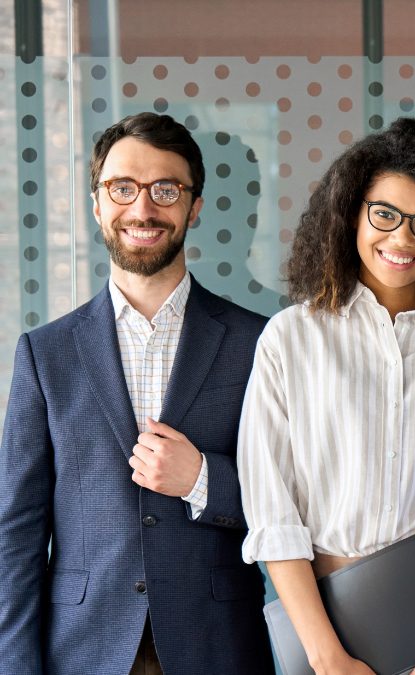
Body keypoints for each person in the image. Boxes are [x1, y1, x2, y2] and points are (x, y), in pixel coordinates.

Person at [237, 116, 415, 675]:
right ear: (350, 213)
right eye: (385, 214)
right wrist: (327, 658)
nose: (401, 240)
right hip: (327, 621)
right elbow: (273, 514)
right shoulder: (290, 338)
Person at [0, 112, 273, 674]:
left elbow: (296, 499)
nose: (142, 209)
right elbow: (16, 533)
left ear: (193, 206)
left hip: (216, 645)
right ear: (97, 203)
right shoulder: (45, 353)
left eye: (164, 190)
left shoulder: (259, 342)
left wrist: (202, 478)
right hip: (82, 648)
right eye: (122, 188)